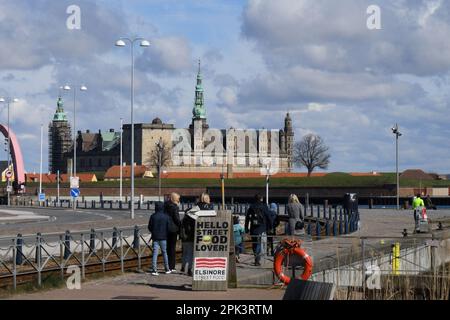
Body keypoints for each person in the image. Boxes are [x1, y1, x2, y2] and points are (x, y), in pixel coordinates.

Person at [245, 194, 272, 266]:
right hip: (261, 228)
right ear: (261, 199)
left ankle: (256, 257)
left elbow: (247, 218)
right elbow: (269, 217)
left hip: (253, 228)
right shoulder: (264, 206)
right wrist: (270, 227)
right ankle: (257, 259)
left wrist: (246, 228)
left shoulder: (251, 206)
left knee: (254, 243)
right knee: (259, 243)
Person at [147, 201, 171, 275]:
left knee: (155, 253)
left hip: (155, 237)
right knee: (164, 253)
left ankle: (154, 270)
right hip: (164, 237)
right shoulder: (166, 216)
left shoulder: (153, 216)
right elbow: (169, 227)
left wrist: (153, 231)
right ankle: (167, 269)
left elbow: (149, 227)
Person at [164, 192, 181, 273]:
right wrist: (181, 225)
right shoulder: (174, 207)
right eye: (178, 198)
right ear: (175, 199)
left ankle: (166, 266)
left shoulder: (165, 205)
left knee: (166, 248)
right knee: (172, 248)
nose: (179, 200)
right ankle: (172, 266)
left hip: (165, 228)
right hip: (173, 229)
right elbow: (176, 219)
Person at [180, 212, 196, 276]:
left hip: (183, 240)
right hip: (190, 239)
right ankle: (189, 269)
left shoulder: (182, 220)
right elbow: (191, 230)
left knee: (184, 253)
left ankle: (183, 267)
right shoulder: (192, 221)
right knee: (190, 254)